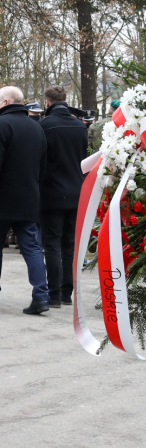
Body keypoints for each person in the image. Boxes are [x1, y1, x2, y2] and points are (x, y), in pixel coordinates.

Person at [0, 86, 49, 314]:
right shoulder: (37, 128)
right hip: (29, 198)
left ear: (6, 101)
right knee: (32, 249)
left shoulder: (2, 125)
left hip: (3, 200)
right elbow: (42, 167)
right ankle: (41, 296)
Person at [39, 85, 88, 308]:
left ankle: (54, 294)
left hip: (52, 193)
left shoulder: (45, 126)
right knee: (70, 245)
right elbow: (84, 159)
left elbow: (41, 162)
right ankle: (68, 292)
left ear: (47, 103)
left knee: (51, 245)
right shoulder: (80, 127)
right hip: (77, 192)